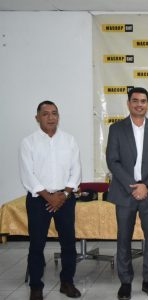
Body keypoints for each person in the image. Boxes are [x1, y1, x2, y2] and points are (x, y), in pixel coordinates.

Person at [106, 87, 148, 300]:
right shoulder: (116, 129)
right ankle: (125, 282)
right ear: (129, 103)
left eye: (143, 101)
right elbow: (112, 161)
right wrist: (133, 185)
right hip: (124, 191)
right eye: (135, 100)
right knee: (123, 238)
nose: (139, 104)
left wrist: (146, 186)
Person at [19, 101, 82, 300]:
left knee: (68, 243)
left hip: (65, 199)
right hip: (39, 200)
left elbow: (76, 171)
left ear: (58, 116)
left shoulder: (69, 140)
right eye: (45, 114)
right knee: (37, 244)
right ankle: (36, 286)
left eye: (54, 113)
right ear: (37, 118)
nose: (50, 117)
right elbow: (28, 175)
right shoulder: (28, 142)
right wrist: (49, 197)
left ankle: (67, 282)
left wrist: (63, 195)